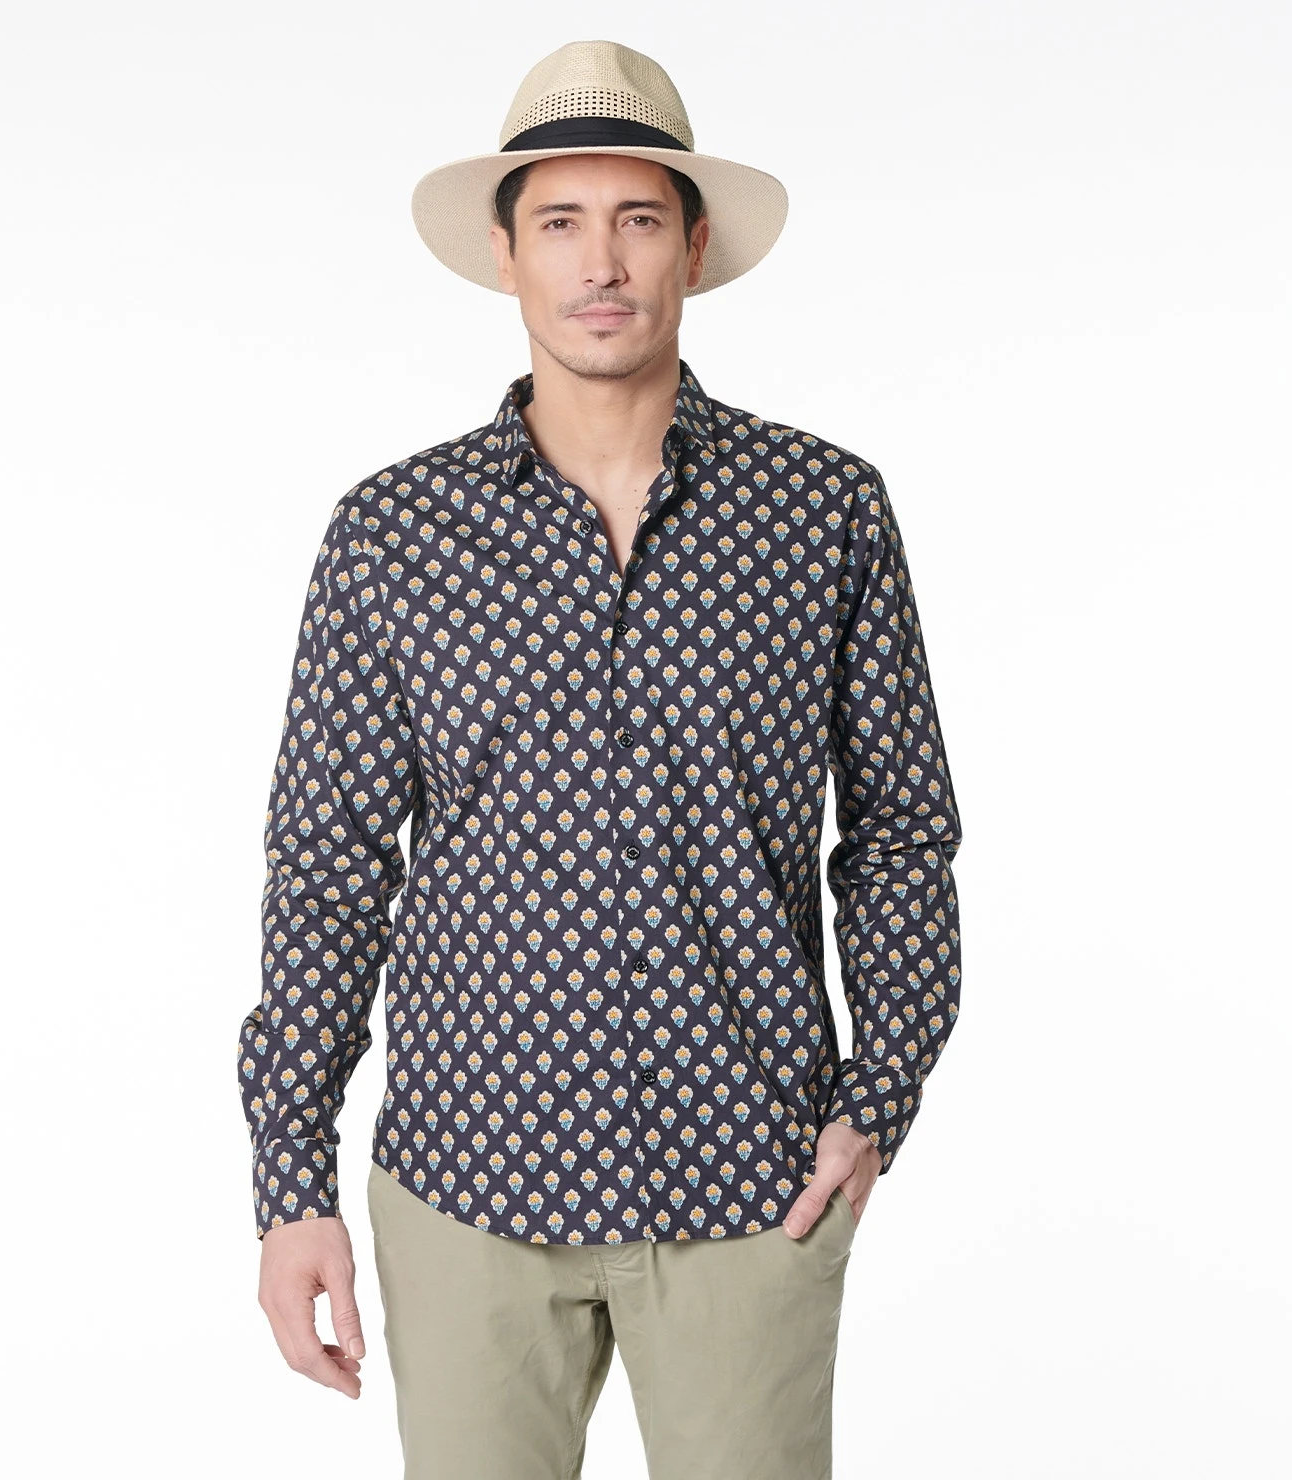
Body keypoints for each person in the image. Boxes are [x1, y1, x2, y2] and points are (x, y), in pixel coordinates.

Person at [237, 37, 964, 1480]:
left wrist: (877, 1095)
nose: (602, 263)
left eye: (637, 218)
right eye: (560, 221)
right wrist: (289, 1181)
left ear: (692, 247)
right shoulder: (395, 535)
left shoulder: (823, 511)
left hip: (750, 1186)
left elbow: (899, 832)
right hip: (466, 1190)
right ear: (504, 255)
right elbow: (327, 865)